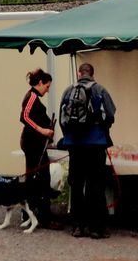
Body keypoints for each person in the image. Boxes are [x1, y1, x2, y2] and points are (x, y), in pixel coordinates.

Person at [57, 63, 116, 239]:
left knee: (76, 185)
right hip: (96, 144)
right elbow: (111, 114)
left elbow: (62, 118)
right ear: (92, 74)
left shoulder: (68, 91)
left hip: (75, 145)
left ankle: (77, 226)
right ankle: (96, 228)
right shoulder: (100, 90)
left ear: (78, 74)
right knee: (95, 185)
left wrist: (69, 136)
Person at [18, 68, 58, 228]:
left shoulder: (34, 97)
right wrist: (42, 130)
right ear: (40, 82)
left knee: (38, 178)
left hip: (37, 143)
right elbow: (24, 117)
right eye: (47, 87)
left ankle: (33, 214)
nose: (47, 90)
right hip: (32, 143)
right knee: (38, 178)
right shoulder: (32, 97)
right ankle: (40, 216)